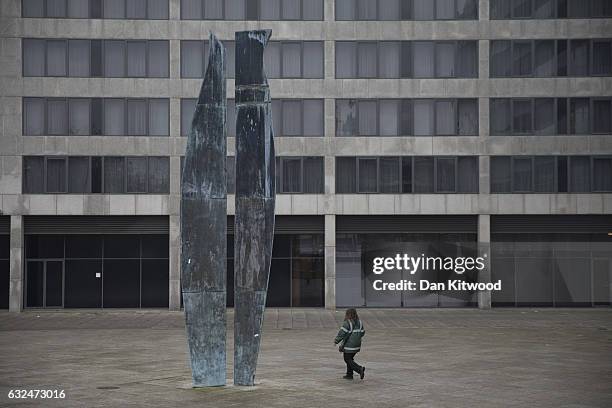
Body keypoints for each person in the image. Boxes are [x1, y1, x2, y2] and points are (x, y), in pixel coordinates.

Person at [334, 308, 366, 380]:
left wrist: (336, 341)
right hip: (357, 344)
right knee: (350, 358)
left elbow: (341, 333)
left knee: (347, 359)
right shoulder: (360, 322)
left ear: (347, 314)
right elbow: (363, 332)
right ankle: (349, 374)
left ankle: (359, 369)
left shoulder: (347, 323)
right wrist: (357, 337)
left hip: (349, 345)